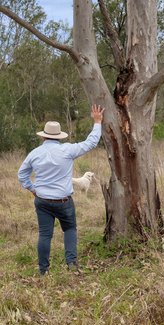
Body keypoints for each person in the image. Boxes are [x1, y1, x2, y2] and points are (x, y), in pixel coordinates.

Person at [18, 104, 104, 275]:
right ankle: (71, 265)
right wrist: (97, 121)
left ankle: (44, 271)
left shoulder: (35, 153)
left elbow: (22, 174)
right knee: (70, 229)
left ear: (43, 137)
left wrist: (32, 189)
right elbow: (91, 143)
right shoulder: (68, 150)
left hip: (42, 201)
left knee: (44, 235)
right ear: (59, 137)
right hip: (63, 201)